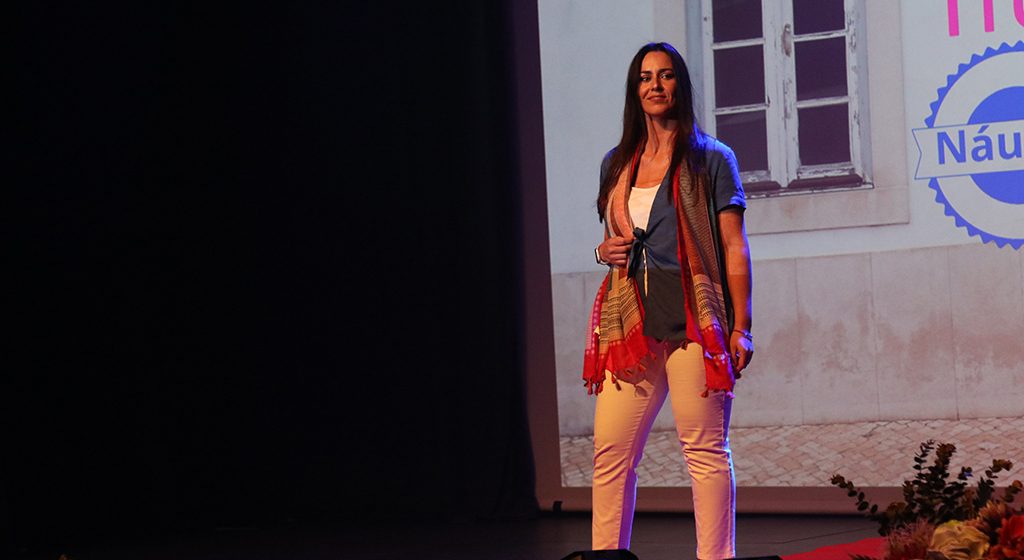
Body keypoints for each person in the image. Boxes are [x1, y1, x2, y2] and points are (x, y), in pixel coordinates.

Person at [583, 42, 754, 560]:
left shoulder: (711, 158)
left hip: (693, 318)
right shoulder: (617, 163)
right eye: (644, 77)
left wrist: (742, 326)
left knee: (704, 452)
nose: (655, 85)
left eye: (665, 75)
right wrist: (601, 251)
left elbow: (733, 247)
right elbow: (614, 240)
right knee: (611, 452)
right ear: (634, 90)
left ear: (680, 83)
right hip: (631, 323)